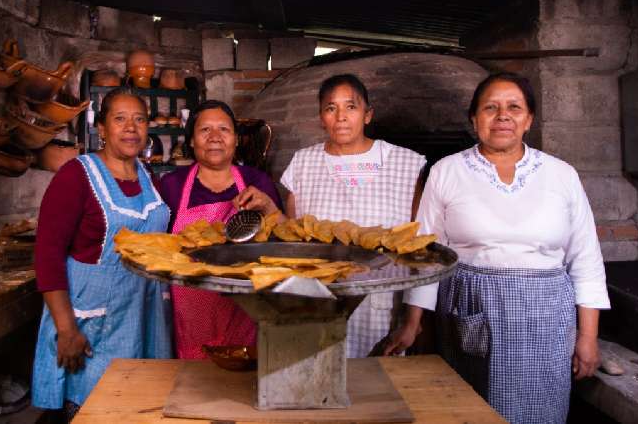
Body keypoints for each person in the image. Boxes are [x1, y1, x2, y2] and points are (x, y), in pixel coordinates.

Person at [403, 72, 609, 423]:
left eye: (514, 107)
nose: (502, 116)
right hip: (472, 309)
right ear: (474, 119)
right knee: (471, 411)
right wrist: (412, 324)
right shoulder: (447, 171)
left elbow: (586, 259)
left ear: (528, 119)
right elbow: (427, 254)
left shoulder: (562, 175)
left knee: (540, 414)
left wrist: (588, 337)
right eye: (490, 108)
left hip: (547, 322)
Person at [31, 88, 173, 418]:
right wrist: (66, 329)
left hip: (142, 315)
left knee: (136, 404)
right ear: (102, 129)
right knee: (91, 408)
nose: (131, 128)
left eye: (139, 119)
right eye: (120, 119)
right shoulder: (77, 175)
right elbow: (48, 254)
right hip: (90, 322)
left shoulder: (149, 178)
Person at [280, 73, 437, 358]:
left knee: (375, 391)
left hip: (380, 309)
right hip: (316, 306)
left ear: (367, 115)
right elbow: (293, 244)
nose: (340, 116)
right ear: (321, 117)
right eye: (331, 108)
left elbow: (423, 251)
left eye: (350, 107)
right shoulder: (303, 163)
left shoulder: (405, 164)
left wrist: (412, 323)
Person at [160, 99, 283, 359]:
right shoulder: (172, 185)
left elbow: (286, 239)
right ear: (191, 141)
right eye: (205, 130)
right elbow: (158, 247)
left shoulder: (256, 181)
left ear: (236, 139)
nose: (215, 137)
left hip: (244, 311)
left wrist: (270, 207)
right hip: (190, 314)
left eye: (224, 130)